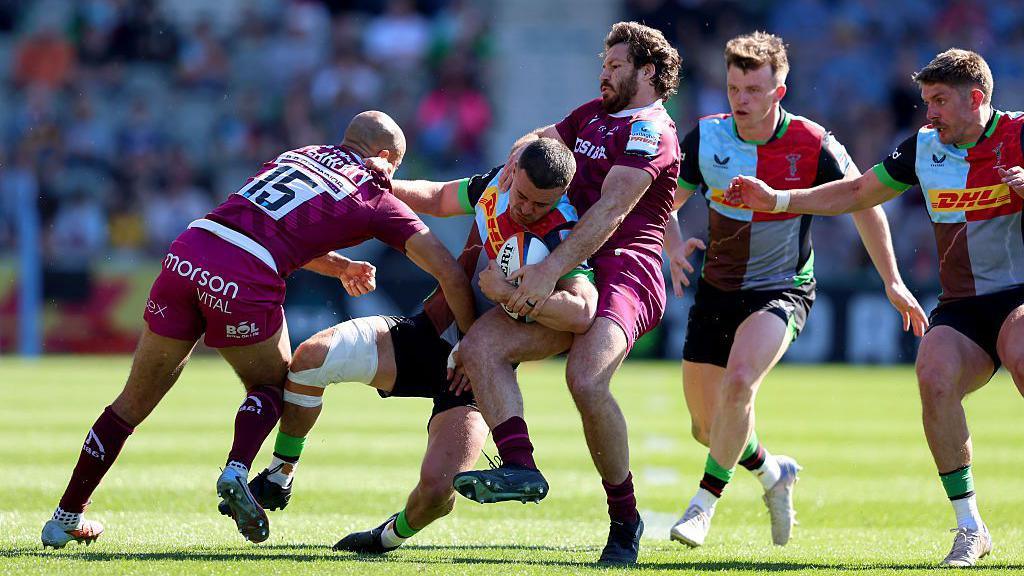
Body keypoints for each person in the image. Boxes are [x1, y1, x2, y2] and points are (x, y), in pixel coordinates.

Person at [41, 111, 475, 548]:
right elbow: (451, 275)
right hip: (243, 276)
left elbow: (269, 229)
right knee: (274, 385)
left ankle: (65, 516)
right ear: (385, 157)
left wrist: (340, 267)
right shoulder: (376, 197)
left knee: (130, 404)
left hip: (189, 251)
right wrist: (472, 346)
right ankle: (236, 470)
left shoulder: (299, 155)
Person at [728, 49, 1024, 567]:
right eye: (926, 99)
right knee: (933, 373)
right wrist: (777, 199)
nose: (928, 111)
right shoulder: (925, 148)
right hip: (964, 307)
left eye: (939, 100)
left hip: (1020, 295)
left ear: (976, 98)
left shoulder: (1020, 134)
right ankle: (970, 527)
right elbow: (860, 192)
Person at [232, 138, 598, 553]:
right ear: (512, 174)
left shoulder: (564, 232)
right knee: (311, 357)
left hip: (475, 377)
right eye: (525, 197)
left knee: (438, 490)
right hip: (431, 334)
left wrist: (508, 293)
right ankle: (280, 475)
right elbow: (441, 197)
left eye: (542, 205)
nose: (529, 210)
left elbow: (582, 311)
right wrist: (384, 185)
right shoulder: (495, 185)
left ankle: (385, 539)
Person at [664, 32, 927, 548]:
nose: (741, 99)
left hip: (781, 290)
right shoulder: (707, 137)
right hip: (716, 292)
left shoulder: (813, 142)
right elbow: (665, 202)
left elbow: (865, 204)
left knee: (741, 382)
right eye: (734, 87)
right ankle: (771, 473)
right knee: (708, 427)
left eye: (753, 89)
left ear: (778, 92)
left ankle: (701, 507)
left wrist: (892, 281)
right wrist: (671, 243)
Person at [450, 21, 681, 566]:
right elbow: (542, 139)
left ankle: (625, 521)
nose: (604, 71)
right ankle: (519, 467)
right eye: (603, 62)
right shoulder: (591, 116)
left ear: (647, 72)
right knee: (481, 349)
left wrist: (548, 268)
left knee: (585, 377)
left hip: (627, 269)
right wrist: (518, 154)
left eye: (616, 65)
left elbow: (610, 210)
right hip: (570, 269)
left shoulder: (651, 130)